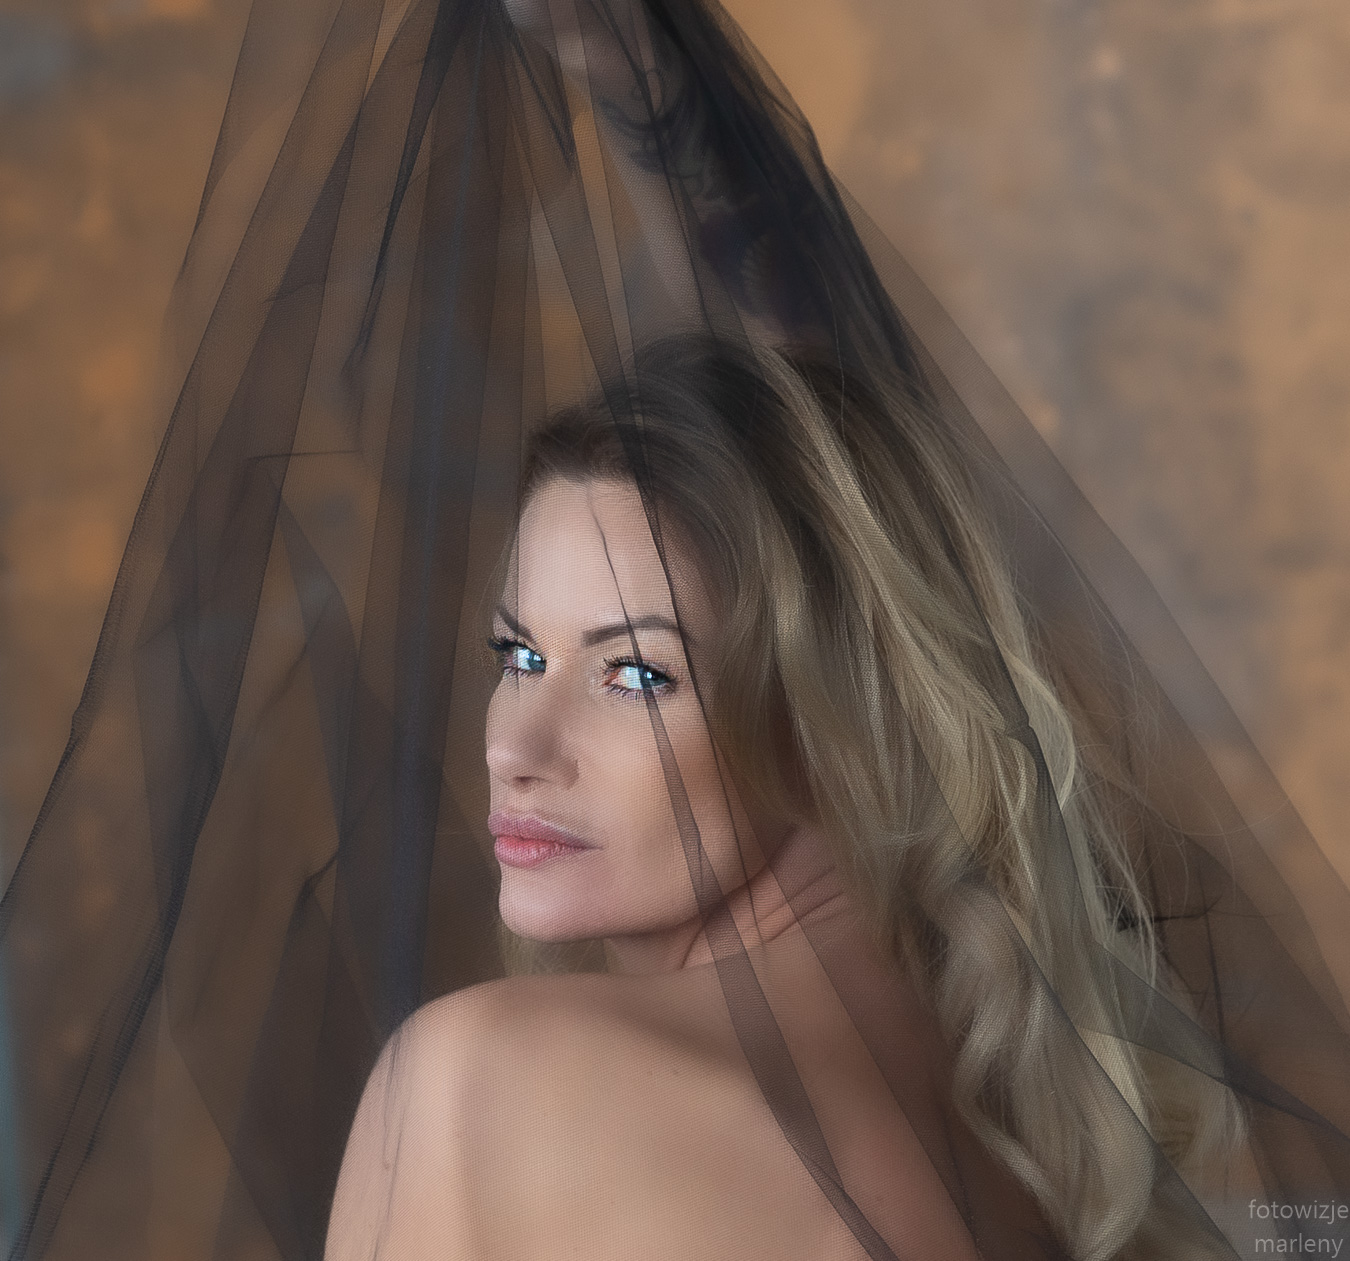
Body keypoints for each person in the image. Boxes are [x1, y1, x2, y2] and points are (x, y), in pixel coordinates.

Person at [2, 1, 1347, 1259]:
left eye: (636, 673)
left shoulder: (485, 1083)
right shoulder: (1022, 1144)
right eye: (518, 656)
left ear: (839, 704)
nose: (516, 746)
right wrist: (667, 119)